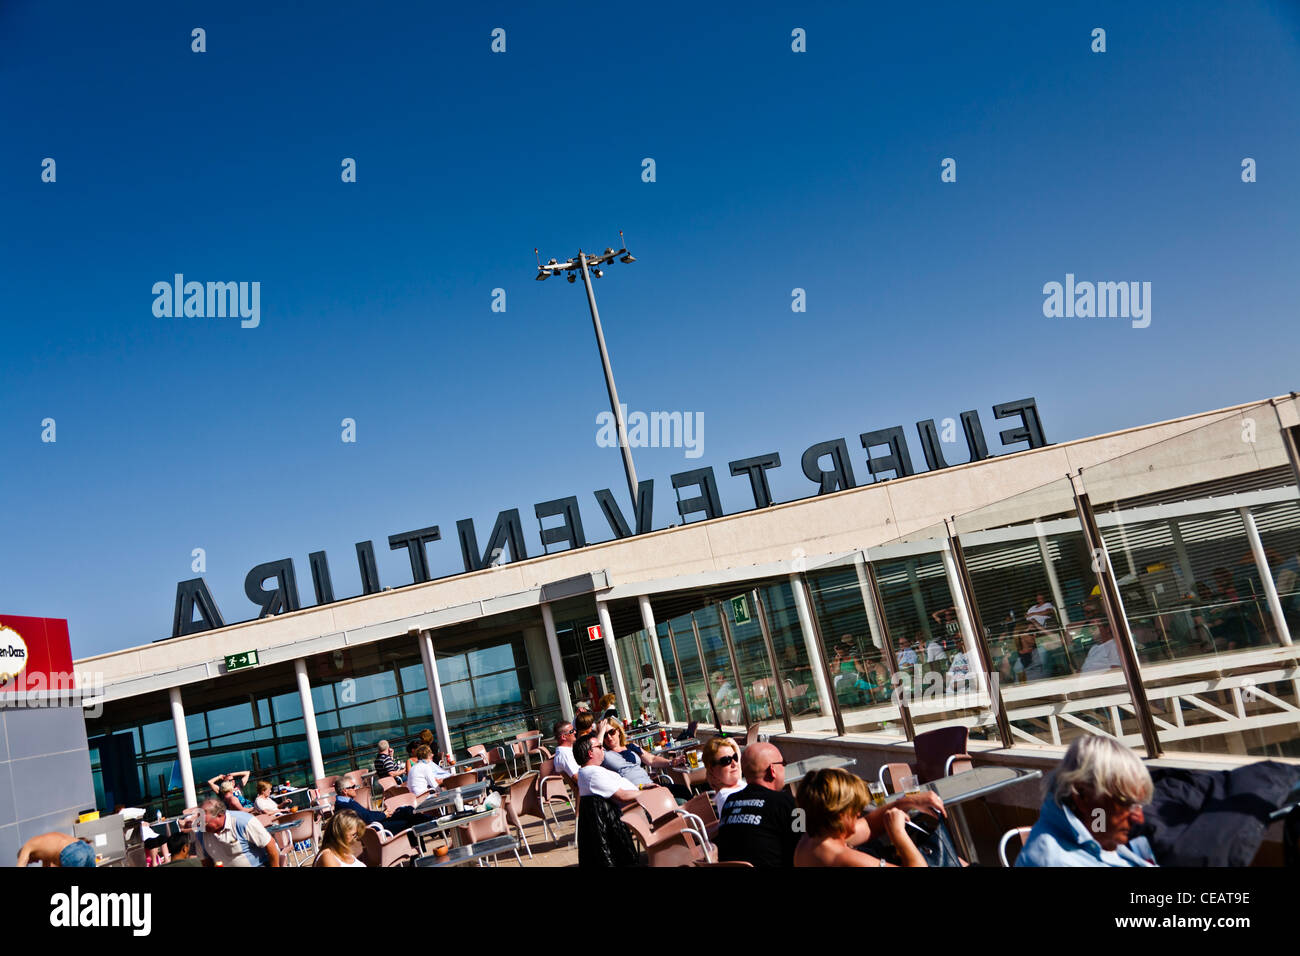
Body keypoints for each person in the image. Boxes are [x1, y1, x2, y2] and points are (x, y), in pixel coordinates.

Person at [1017, 736, 1157, 867]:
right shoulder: (1057, 861)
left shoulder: (1100, 830)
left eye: (1139, 805)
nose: (1139, 819)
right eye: (1126, 803)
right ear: (1082, 795)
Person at [793, 768, 927, 867]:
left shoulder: (809, 842)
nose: (858, 814)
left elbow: (869, 825)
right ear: (840, 813)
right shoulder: (843, 858)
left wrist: (906, 802)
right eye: (854, 809)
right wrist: (898, 833)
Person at [574, 733, 642, 867]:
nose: (603, 749)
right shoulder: (592, 774)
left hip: (616, 818)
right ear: (590, 753)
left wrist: (642, 787)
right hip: (616, 822)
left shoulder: (590, 771)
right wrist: (646, 793)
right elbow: (622, 796)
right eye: (599, 746)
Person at [601, 719, 692, 800]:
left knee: (683, 791)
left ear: (618, 731)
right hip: (634, 791)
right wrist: (600, 732)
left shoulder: (631, 747)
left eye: (611, 732)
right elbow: (595, 748)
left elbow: (652, 759)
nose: (609, 737)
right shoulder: (604, 754)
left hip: (651, 784)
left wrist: (671, 762)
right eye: (605, 735)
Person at [195, 796, 280, 867]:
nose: (200, 825)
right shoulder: (200, 835)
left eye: (204, 822)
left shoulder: (243, 822)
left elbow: (270, 845)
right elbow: (206, 862)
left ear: (220, 815)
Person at [703, 736, 745, 818]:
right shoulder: (726, 798)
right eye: (726, 761)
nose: (734, 764)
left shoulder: (738, 784)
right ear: (712, 769)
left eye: (735, 757)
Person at [17, 832, 95, 867]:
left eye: (32, 861)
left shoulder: (27, 846)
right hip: (86, 847)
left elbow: (21, 864)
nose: (36, 861)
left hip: (71, 852)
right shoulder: (44, 847)